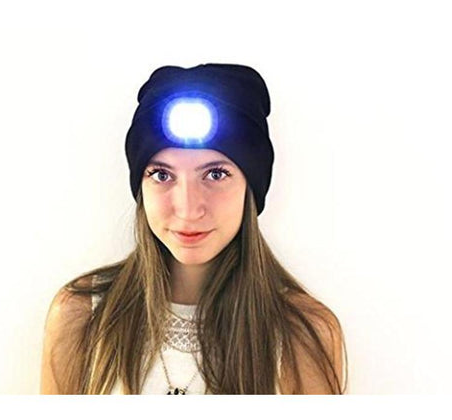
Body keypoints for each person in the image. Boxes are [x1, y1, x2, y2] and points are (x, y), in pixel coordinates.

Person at [40, 63, 348, 395]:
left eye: (215, 174)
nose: (188, 209)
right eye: (162, 175)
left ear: (250, 188)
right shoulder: (82, 317)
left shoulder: (304, 333)